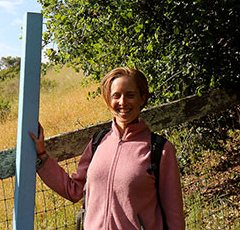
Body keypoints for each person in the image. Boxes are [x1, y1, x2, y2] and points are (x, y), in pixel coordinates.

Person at [30, 67, 185, 229]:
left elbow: (174, 215)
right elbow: (74, 190)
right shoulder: (98, 142)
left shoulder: (160, 150)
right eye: (116, 96)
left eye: (130, 95)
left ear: (142, 98)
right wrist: (42, 155)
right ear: (108, 100)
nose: (123, 102)